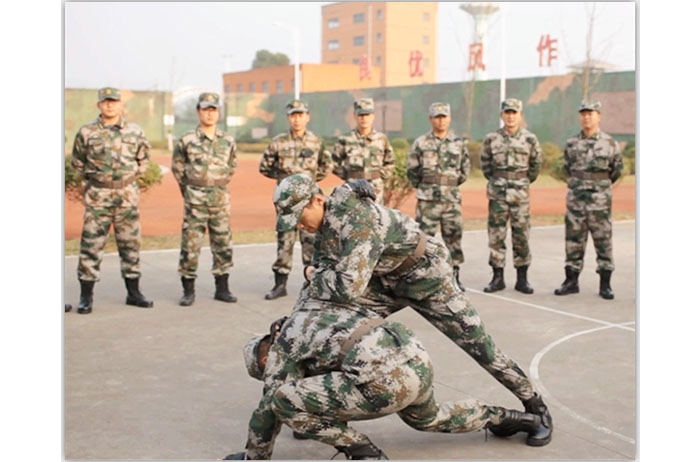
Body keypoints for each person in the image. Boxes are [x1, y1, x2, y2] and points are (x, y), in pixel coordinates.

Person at [270, 174, 553, 448]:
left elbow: (344, 288)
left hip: (426, 277)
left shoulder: (357, 219)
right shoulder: (324, 226)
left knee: (480, 345)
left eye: (299, 217)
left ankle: (535, 406)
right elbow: (320, 291)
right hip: (383, 282)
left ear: (318, 200)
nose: (300, 226)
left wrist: (309, 273)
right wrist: (294, 321)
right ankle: (319, 409)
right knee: (331, 325)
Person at [224, 293, 542, 460]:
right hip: (415, 359)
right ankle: (511, 419)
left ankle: (363, 453)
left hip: (384, 378)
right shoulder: (312, 315)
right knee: (429, 418)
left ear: (264, 358)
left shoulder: (282, 346)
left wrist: (253, 458)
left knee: (282, 400)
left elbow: (267, 410)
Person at [71, 87, 153, 314]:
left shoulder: (135, 131)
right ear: (99, 104)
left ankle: (134, 293)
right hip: (98, 198)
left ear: (120, 104)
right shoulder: (87, 132)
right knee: (91, 247)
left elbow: (144, 159)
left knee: (130, 246)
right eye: (105, 101)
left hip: (126, 199)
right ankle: (86, 297)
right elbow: (77, 162)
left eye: (114, 101)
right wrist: (97, 179)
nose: (109, 105)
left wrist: (127, 179)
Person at [259, 99, 332, 300]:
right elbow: (265, 167)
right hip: (287, 203)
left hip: (309, 203)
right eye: (293, 116)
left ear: (307, 117)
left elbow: (327, 165)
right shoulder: (278, 142)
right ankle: (280, 284)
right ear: (288, 118)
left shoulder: (316, 142)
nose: (297, 119)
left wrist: (309, 183)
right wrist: (285, 182)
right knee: (285, 240)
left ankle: (313, 284)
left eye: (300, 115)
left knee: (312, 241)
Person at [171, 92, 238, 306]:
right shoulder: (187, 139)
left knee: (223, 243)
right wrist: (191, 189)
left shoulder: (227, 140)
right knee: (191, 245)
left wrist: (217, 183)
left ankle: (222, 288)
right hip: (195, 200)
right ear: (198, 111)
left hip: (220, 199)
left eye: (213, 110)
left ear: (218, 113)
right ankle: (188, 290)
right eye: (205, 109)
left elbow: (232, 166)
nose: (210, 114)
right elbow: (178, 167)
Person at [555, 99, 624, 300]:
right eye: (583, 114)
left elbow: (616, 170)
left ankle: (605, 284)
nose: (586, 117)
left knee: (603, 241)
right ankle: (571, 281)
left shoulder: (609, 143)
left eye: (590, 114)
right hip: (576, 200)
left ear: (598, 116)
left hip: (600, 202)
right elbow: (566, 168)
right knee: (573, 241)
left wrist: (599, 186)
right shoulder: (571, 143)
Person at [480, 98, 542, 294]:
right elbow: (486, 166)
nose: (510, 116)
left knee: (521, 236)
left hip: (520, 195)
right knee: (496, 236)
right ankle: (497, 278)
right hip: (498, 194)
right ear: (502, 115)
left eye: (514, 113)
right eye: (507, 113)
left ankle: (522, 279)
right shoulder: (491, 139)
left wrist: (521, 181)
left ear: (520, 115)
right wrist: (500, 180)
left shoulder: (530, 139)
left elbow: (535, 166)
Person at [407, 102, 470, 291]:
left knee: (454, 237)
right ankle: (424, 278)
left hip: (451, 200)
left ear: (449, 118)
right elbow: (412, 171)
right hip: (428, 201)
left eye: (444, 117)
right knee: (423, 240)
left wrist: (449, 185)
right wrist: (426, 186)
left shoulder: (459, 143)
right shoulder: (421, 143)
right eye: (437, 117)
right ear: (430, 119)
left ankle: (454, 277)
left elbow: (464, 171)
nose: (441, 121)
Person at [332, 98, 394, 204]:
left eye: (367, 115)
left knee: (376, 214)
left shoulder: (381, 139)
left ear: (373, 116)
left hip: (376, 189)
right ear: (355, 116)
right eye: (361, 115)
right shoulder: (346, 139)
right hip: (353, 187)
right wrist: (347, 175)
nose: (364, 118)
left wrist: (380, 175)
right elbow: (334, 162)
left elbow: (390, 161)